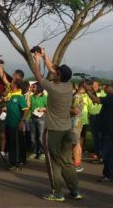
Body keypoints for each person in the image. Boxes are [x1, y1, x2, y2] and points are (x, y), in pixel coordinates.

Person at [31, 48, 82, 202]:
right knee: (67, 161)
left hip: (54, 131)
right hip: (66, 130)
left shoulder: (53, 88)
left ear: (59, 76)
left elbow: (38, 76)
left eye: (56, 72)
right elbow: (54, 69)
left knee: (53, 162)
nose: (53, 71)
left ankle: (57, 193)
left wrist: (37, 60)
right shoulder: (67, 85)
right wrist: (45, 55)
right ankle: (74, 191)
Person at [86, 82, 113, 182]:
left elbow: (96, 100)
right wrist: (91, 91)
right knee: (112, 151)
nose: (105, 87)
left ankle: (109, 174)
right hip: (111, 128)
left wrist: (87, 91)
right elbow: (97, 99)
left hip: (108, 129)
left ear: (112, 88)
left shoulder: (111, 97)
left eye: (107, 86)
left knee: (107, 152)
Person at [4, 80, 28, 170]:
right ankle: (12, 162)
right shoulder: (10, 95)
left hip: (16, 124)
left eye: (12, 83)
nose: (10, 84)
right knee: (10, 144)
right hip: (8, 123)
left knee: (15, 144)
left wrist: (22, 121)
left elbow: (26, 110)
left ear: (16, 86)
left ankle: (17, 163)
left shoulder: (20, 97)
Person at [88, 79, 105, 162]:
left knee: (100, 136)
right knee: (95, 137)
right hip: (91, 116)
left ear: (98, 86)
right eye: (92, 85)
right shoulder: (88, 94)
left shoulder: (103, 94)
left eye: (95, 85)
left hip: (100, 117)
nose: (93, 87)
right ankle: (98, 154)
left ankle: (102, 155)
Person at [29, 83, 47, 160]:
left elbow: (49, 108)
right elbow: (29, 107)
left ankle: (42, 152)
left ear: (39, 88)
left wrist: (43, 109)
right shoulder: (31, 97)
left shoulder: (44, 97)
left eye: (35, 87)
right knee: (32, 137)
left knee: (40, 137)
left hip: (41, 118)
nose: (33, 88)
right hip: (32, 118)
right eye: (33, 87)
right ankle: (34, 152)